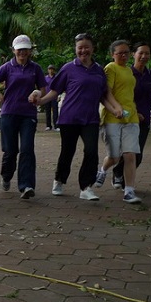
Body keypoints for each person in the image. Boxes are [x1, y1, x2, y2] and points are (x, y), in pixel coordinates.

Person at [37, 33, 122, 201]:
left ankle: (86, 187)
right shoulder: (68, 68)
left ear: (92, 48)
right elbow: (55, 91)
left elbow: (103, 95)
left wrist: (114, 109)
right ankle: (59, 180)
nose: (83, 51)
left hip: (90, 119)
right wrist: (40, 101)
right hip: (69, 118)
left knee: (91, 152)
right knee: (67, 151)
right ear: (76, 50)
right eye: (80, 48)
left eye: (86, 47)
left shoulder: (99, 70)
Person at [0, 35, 47, 199]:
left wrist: (37, 92)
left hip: (28, 113)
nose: (22, 52)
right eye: (19, 49)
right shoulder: (7, 67)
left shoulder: (36, 68)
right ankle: (6, 176)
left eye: (25, 49)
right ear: (14, 50)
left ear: (30, 51)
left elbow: (43, 89)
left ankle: (26, 185)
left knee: (27, 149)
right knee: (10, 151)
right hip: (9, 113)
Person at [93, 40, 143, 204]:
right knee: (114, 157)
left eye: (126, 52)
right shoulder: (110, 68)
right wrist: (116, 108)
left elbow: (128, 93)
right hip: (113, 118)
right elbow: (106, 92)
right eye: (119, 52)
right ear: (112, 54)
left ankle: (129, 191)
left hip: (131, 118)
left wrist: (136, 112)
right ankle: (103, 170)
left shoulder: (129, 70)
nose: (123, 55)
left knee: (129, 154)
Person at [111, 43, 151, 189]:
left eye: (147, 53)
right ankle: (120, 177)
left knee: (138, 154)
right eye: (141, 53)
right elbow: (118, 95)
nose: (144, 56)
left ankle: (121, 175)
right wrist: (132, 112)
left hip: (144, 119)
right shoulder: (127, 72)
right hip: (127, 118)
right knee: (126, 152)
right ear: (134, 54)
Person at [43, 64, 59, 131]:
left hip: (54, 96)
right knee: (48, 111)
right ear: (48, 70)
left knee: (55, 112)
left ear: (54, 70)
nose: (51, 70)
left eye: (52, 69)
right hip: (47, 96)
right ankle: (48, 125)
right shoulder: (45, 78)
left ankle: (56, 126)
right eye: (49, 69)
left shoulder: (56, 78)